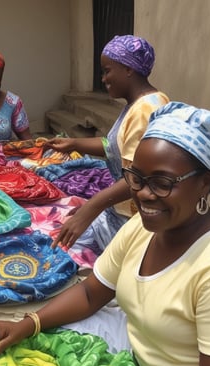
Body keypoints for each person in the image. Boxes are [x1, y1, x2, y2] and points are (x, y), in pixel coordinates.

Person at [0, 102, 210, 366]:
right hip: (136, 348)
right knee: (21, 358)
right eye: (136, 178)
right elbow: (92, 293)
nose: (143, 195)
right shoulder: (142, 228)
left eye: (162, 183)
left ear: (205, 182)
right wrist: (29, 324)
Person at [45, 35, 169, 255]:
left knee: (61, 249)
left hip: (134, 218)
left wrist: (90, 209)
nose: (103, 79)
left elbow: (138, 176)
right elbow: (114, 146)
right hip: (122, 211)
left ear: (128, 69)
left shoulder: (144, 111)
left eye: (107, 70)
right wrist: (74, 143)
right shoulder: (141, 103)